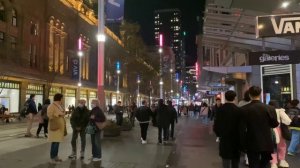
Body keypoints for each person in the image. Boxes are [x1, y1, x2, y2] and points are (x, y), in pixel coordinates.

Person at [240, 86, 279, 168]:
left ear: (250, 95)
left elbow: (241, 128)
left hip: (251, 141)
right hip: (266, 141)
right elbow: (275, 124)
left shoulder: (244, 109)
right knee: (265, 163)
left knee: (253, 163)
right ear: (260, 94)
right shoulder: (270, 108)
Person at [213, 90, 241, 168]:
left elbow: (216, 126)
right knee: (235, 161)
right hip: (236, 140)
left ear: (225, 98)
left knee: (225, 160)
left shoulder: (220, 110)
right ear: (235, 98)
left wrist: (219, 135)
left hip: (224, 139)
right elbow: (241, 126)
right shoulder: (238, 110)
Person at [268, 100, 291, 168]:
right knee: (282, 146)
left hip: (269, 130)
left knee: (272, 147)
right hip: (279, 130)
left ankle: (273, 163)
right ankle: (282, 160)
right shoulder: (280, 111)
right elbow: (288, 121)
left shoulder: (267, 110)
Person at [47, 93, 66, 164]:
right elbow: (49, 115)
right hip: (55, 126)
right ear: (59, 98)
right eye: (62, 98)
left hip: (59, 127)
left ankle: (55, 156)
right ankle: (52, 158)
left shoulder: (59, 105)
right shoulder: (52, 106)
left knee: (57, 142)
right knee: (54, 142)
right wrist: (58, 114)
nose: (62, 99)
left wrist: (62, 113)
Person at [238, 90, 251, 166]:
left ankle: (247, 157)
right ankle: (248, 157)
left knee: (246, 141)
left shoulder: (241, 103)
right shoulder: (253, 103)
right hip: (249, 125)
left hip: (243, 125)